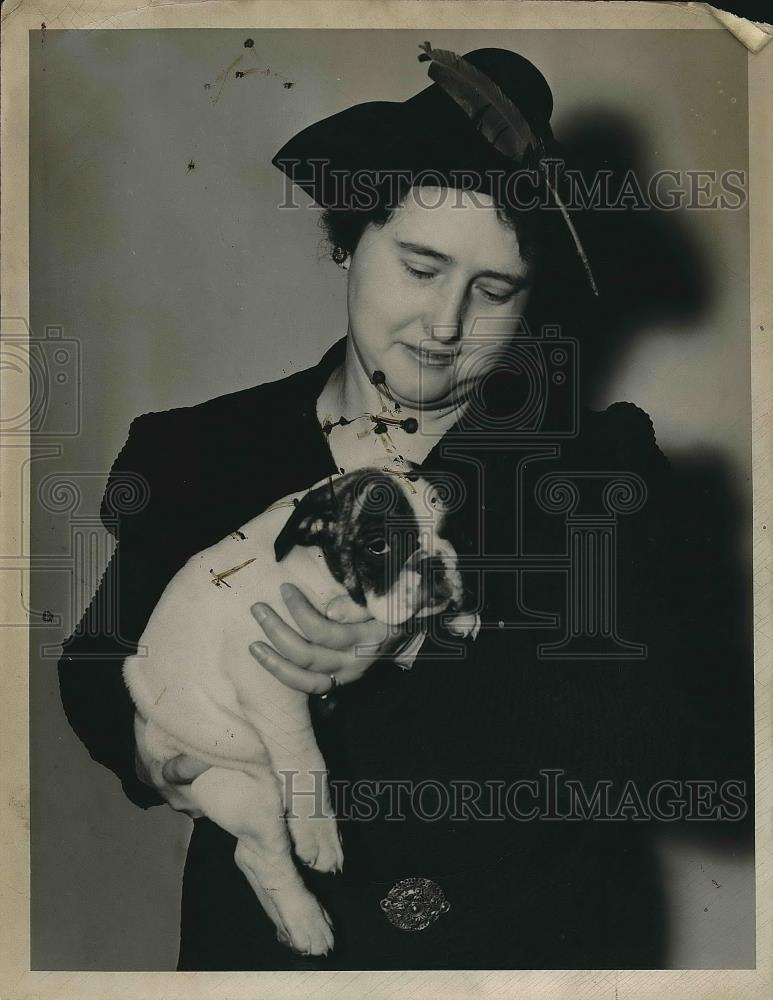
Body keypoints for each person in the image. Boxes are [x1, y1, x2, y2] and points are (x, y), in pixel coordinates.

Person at [57, 45, 751, 971]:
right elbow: (99, 663)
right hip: (270, 959)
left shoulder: (595, 468)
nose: (445, 325)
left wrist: (431, 636)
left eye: (493, 290)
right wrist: (157, 752)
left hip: (512, 955)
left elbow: (677, 742)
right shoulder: (208, 450)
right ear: (350, 235)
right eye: (419, 267)